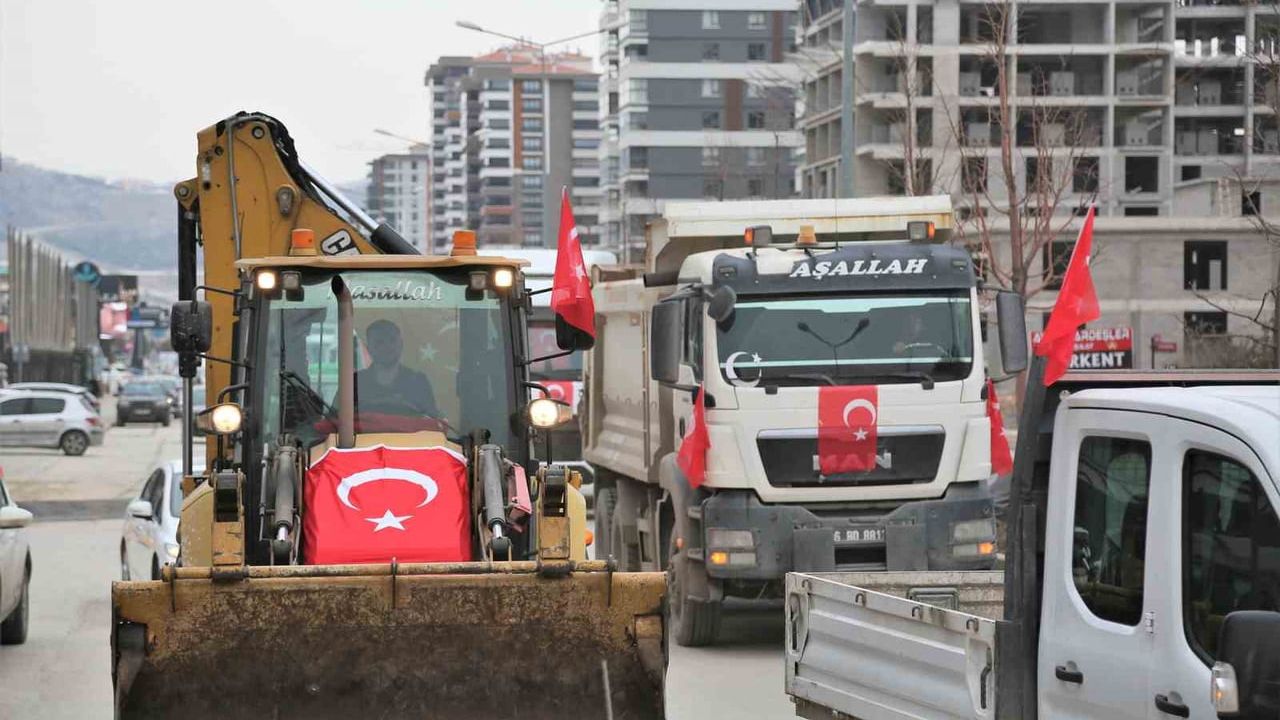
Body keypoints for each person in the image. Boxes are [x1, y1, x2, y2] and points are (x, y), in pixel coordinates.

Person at [355, 319, 439, 417]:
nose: (387, 346)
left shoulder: (418, 381)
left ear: (401, 344)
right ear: (368, 348)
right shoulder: (354, 383)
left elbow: (432, 423)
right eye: (379, 342)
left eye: (392, 340)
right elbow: (337, 423)